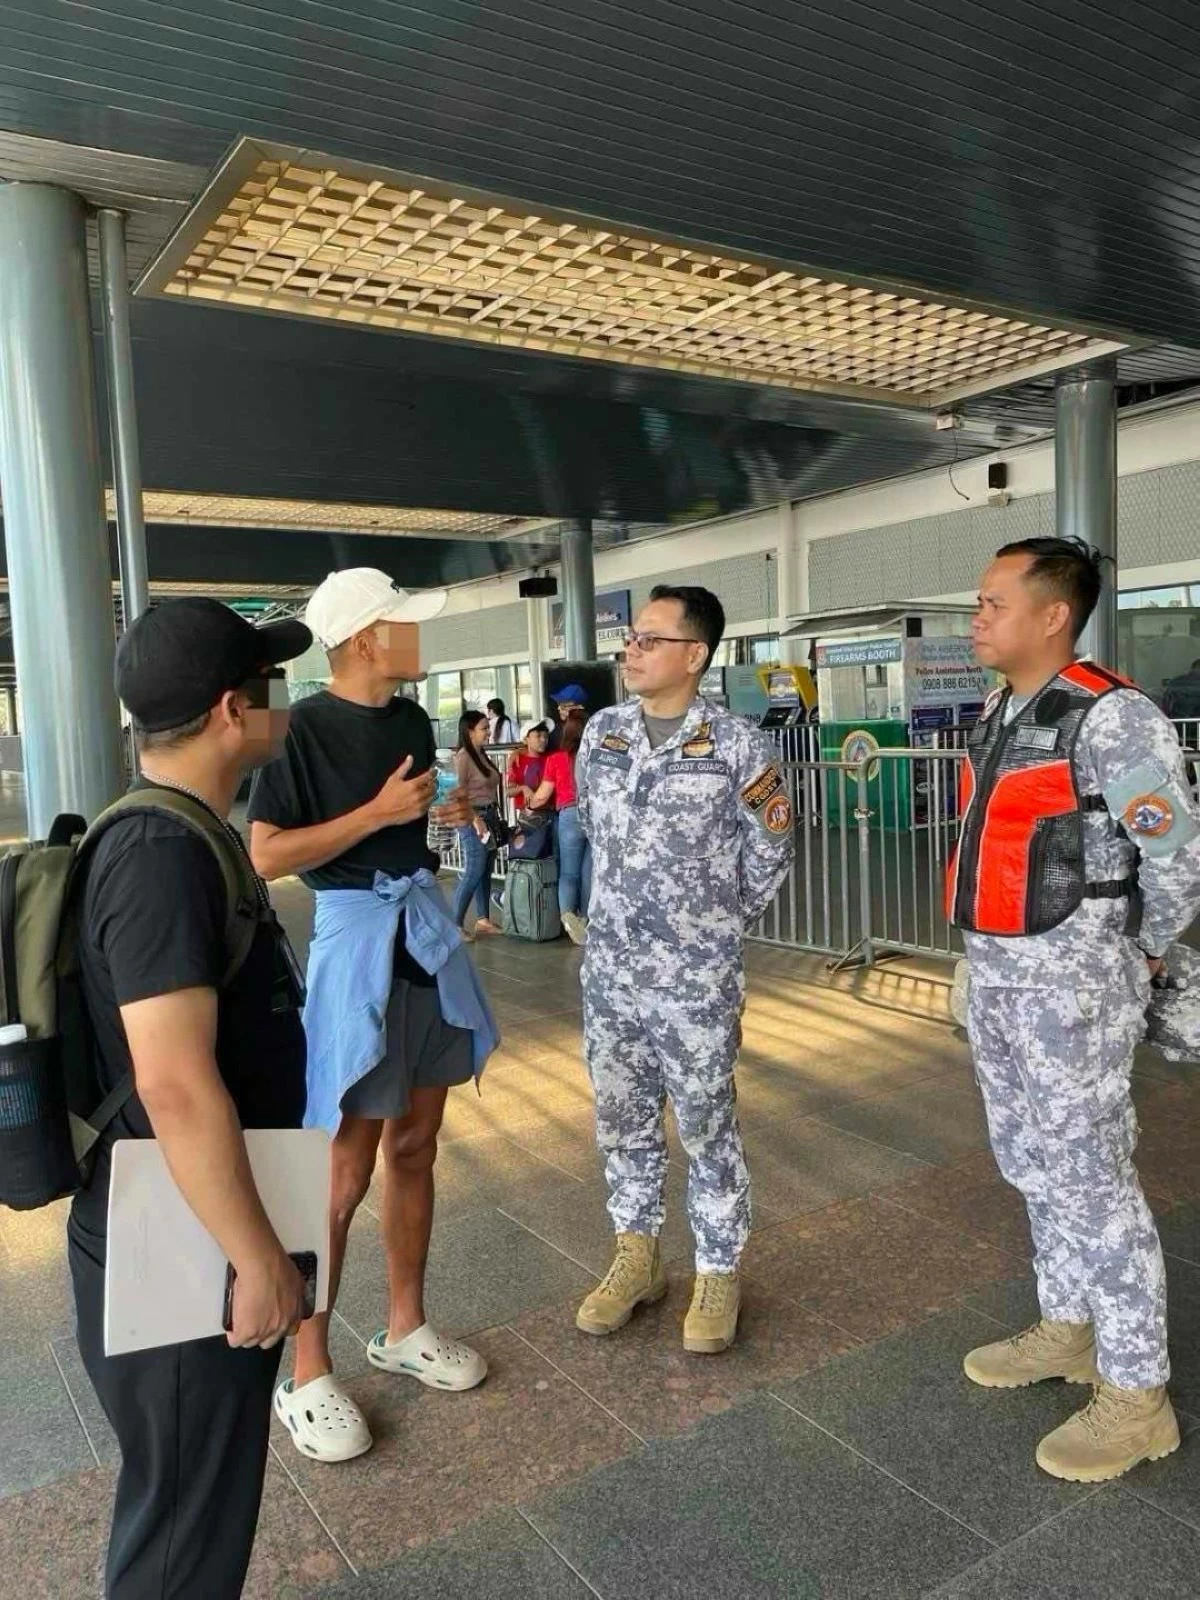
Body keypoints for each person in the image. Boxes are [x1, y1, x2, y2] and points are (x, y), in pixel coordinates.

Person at [70, 598, 313, 1598]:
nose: (280, 706)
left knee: (191, 1512)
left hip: (188, 1218)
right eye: (270, 687)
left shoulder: (179, 835)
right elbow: (173, 1083)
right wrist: (256, 1259)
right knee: (181, 1537)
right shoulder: (162, 856)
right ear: (230, 711)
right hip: (183, 1244)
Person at [949, 537, 1200, 1483]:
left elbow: (1177, 858)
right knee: (1031, 1161)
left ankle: (1139, 1394)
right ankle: (1073, 1326)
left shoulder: (1116, 719)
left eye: (993, 602)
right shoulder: (1003, 708)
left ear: (1053, 615)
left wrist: (1130, 952)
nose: (977, 617)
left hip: (1075, 983)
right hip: (1002, 973)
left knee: (1092, 1177)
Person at [248, 568, 492, 1465]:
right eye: (403, 624)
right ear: (359, 640)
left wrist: (436, 814)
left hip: (421, 941)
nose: (417, 639)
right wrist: (377, 813)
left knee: (417, 1146)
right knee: (341, 1172)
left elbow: (406, 831)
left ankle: (403, 1327)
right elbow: (266, 853)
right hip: (355, 949)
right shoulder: (301, 731)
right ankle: (305, 1371)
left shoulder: (409, 721)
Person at [573, 585, 794, 1353]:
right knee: (622, 1120)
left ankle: (719, 1269)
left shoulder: (738, 746)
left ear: (695, 655)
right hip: (610, 974)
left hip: (695, 978)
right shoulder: (601, 733)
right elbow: (590, 828)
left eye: (649, 640)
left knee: (705, 1122)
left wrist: (713, 931)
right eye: (630, 639)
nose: (631, 651)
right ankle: (637, 1257)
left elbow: (770, 851)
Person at [528, 708, 591, 946]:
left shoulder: (556, 758)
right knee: (589, 871)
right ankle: (585, 920)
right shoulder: (595, 755)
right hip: (594, 815)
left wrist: (529, 804)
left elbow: (543, 795)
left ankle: (567, 915)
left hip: (569, 815)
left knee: (568, 872)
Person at [452, 709, 503, 937]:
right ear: (469, 731)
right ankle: (454, 924)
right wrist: (474, 819)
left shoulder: (481, 754)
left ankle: (483, 919)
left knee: (485, 869)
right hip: (473, 818)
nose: (488, 732)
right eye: (484, 728)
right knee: (474, 869)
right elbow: (456, 793)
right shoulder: (463, 757)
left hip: (489, 816)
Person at [507, 719, 550, 806]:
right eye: (538, 736)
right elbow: (507, 792)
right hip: (528, 816)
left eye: (546, 736)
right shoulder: (517, 761)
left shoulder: (552, 758)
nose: (543, 739)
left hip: (553, 813)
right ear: (526, 740)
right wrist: (523, 788)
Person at [547, 682, 587, 752]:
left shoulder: (593, 727)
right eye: (559, 704)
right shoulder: (555, 729)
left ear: (578, 708)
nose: (559, 708)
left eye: (564, 706)